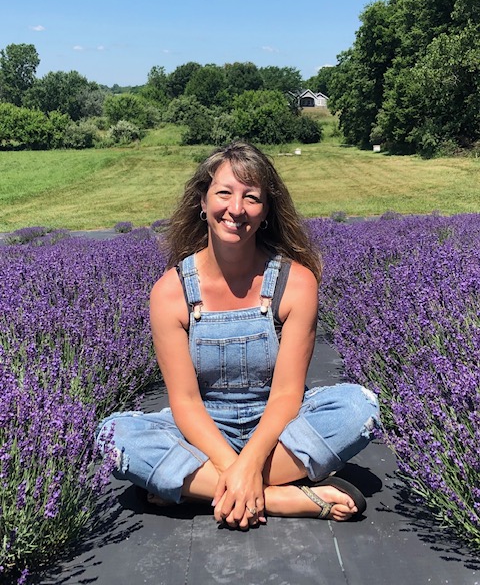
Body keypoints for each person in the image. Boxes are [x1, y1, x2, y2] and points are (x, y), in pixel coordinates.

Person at [96, 141, 380, 529]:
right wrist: (236, 469)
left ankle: (197, 486)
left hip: (278, 427)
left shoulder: (294, 282)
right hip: (204, 428)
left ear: (265, 213)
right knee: (113, 435)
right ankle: (282, 498)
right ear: (203, 201)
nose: (236, 209)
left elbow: (285, 396)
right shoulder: (171, 292)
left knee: (358, 408)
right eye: (224, 193)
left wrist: (248, 463)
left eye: (252, 198)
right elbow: (186, 403)